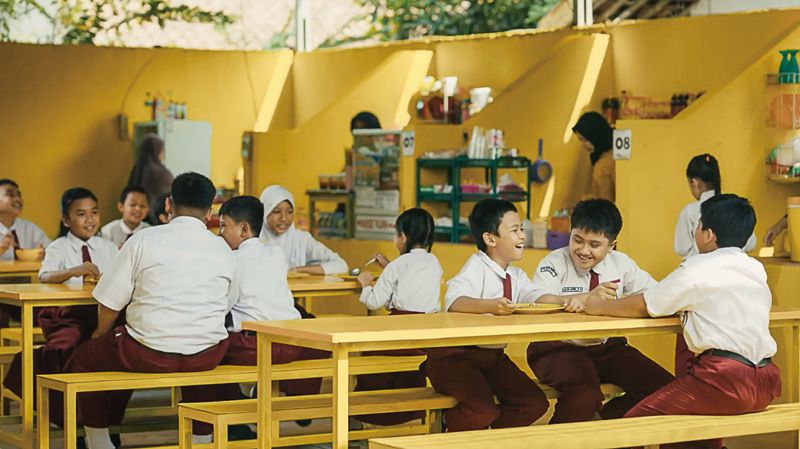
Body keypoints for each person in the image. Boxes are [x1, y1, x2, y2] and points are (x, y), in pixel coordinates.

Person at [586, 194, 781, 449]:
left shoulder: (698, 268)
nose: (695, 230)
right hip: (767, 381)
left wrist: (600, 306)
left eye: (698, 225)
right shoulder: (755, 268)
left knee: (631, 428)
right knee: (688, 431)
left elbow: (647, 304)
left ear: (709, 235)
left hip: (723, 380)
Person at [65, 173, 235, 449]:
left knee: (86, 357)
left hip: (148, 352)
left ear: (168, 204)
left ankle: (98, 441)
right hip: (207, 355)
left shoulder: (144, 239)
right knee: (202, 347)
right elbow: (226, 302)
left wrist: (99, 334)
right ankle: (201, 439)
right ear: (210, 211)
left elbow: (109, 302)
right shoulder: (223, 248)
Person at [527, 199, 674, 423]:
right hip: (556, 347)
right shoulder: (554, 262)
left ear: (612, 245)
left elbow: (656, 294)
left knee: (663, 389)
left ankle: (608, 428)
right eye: (577, 240)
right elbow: (538, 299)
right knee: (584, 395)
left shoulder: (622, 264)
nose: (583, 250)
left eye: (594, 245)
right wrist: (576, 299)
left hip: (607, 348)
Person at [424, 199, 549, 431]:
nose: (522, 236)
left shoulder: (516, 275)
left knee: (534, 403)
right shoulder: (476, 267)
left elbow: (536, 296)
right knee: (483, 410)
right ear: (490, 239)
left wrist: (568, 301)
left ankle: (489, 441)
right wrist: (490, 306)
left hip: (491, 358)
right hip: (453, 360)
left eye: (521, 229)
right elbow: (454, 301)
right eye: (514, 230)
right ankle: (448, 429)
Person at [4, 187, 119, 427]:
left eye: (94, 212)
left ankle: (103, 420)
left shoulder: (108, 246)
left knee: (115, 347)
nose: (90, 219)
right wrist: (74, 271)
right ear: (66, 220)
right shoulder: (59, 247)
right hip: (66, 315)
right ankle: (69, 414)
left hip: (100, 314)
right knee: (70, 344)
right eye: (81, 214)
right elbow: (45, 276)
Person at [354, 208, 442, 425]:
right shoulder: (434, 263)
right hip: (426, 338)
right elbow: (411, 284)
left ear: (403, 237)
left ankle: (363, 414)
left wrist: (365, 285)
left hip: (399, 333)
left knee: (365, 355)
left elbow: (375, 301)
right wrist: (388, 266)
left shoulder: (397, 266)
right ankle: (412, 413)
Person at [674, 153, 755, 259]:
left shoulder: (690, 211)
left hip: (700, 268)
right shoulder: (735, 207)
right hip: (734, 267)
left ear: (694, 183)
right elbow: (751, 244)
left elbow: (681, 248)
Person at [258, 185, 347, 275]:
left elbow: (341, 266)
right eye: (276, 211)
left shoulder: (301, 239)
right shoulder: (254, 241)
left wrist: (299, 270)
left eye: (289, 212)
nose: (284, 218)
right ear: (264, 212)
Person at [0, 178, 50, 261]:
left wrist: (44, 253)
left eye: (18, 195)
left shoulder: (29, 228)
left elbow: (52, 249)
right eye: (10, 195)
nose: (17, 199)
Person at [127, 134, 173, 224]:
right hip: (156, 220)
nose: (163, 155)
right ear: (157, 151)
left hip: (137, 219)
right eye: (162, 151)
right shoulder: (161, 173)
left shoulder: (138, 168)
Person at [573, 112, 615, 202]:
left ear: (595, 135)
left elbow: (606, 200)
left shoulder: (609, 162)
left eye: (584, 139)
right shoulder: (598, 158)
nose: (583, 145)